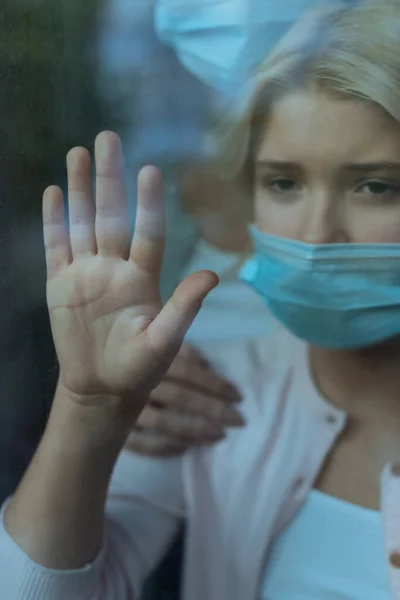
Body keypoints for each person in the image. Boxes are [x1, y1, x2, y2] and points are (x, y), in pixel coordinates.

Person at [3, 2, 400, 599]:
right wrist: (89, 405)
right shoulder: (213, 397)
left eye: (375, 185)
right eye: (284, 182)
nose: (317, 234)